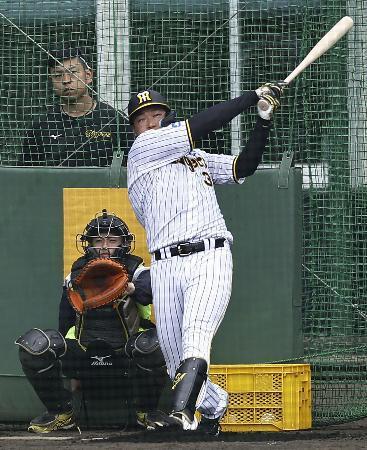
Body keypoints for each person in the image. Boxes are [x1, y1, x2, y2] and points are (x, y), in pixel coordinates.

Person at [126, 84, 284, 435]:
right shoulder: (143, 149)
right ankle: (214, 405)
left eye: (156, 114)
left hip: (209, 254)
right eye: (141, 118)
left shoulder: (195, 157)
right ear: (134, 128)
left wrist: (262, 121)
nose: (150, 122)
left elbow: (244, 167)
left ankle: (182, 414)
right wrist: (248, 97)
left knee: (195, 337)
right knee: (172, 363)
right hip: (164, 264)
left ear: (165, 116)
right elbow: (200, 124)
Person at [15, 209, 170, 433]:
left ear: (123, 243)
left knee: (155, 343)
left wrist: (131, 288)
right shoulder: (75, 274)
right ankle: (61, 412)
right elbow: (65, 321)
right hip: (84, 349)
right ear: (89, 244)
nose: (105, 246)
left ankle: (146, 411)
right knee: (36, 345)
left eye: (112, 240)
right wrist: (70, 366)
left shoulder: (136, 269)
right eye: (99, 240)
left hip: (125, 352)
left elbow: (155, 288)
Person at [20, 45, 132, 167]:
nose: (66, 80)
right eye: (58, 75)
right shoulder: (41, 127)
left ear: (88, 75)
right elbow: (27, 178)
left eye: (73, 72)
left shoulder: (115, 121)